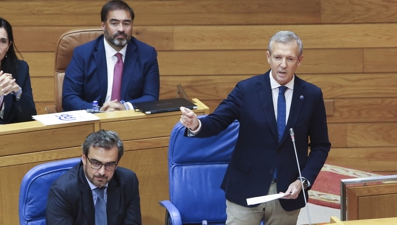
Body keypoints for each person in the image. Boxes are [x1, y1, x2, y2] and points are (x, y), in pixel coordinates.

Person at [179, 31, 331, 225]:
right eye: (277, 57)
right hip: (246, 189)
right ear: (268, 57)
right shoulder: (246, 90)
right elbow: (217, 121)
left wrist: (303, 180)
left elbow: (321, 145)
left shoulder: (311, 95)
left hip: (288, 193)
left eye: (289, 58)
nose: (283, 65)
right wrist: (197, 124)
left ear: (299, 61)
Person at [62, 0, 160, 112]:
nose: (121, 29)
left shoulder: (147, 54)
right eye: (114, 23)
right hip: (94, 120)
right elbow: (69, 98)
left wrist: (125, 107)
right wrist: (99, 111)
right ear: (103, 26)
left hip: (130, 120)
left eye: (126, 23)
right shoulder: (83, 54)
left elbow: (151, 96)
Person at [46, 130, 141, 225]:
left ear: (117, 163)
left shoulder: (128, 181)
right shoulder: (63, 191)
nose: (102, 172)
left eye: (110, 164)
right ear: (84, 159)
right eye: (96, 163)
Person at [0, 17, 37, 124]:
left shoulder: (21, 69)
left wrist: (18, 92)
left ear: (9, 45)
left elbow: (30, 117)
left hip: (13, 135)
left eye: (3, 41)